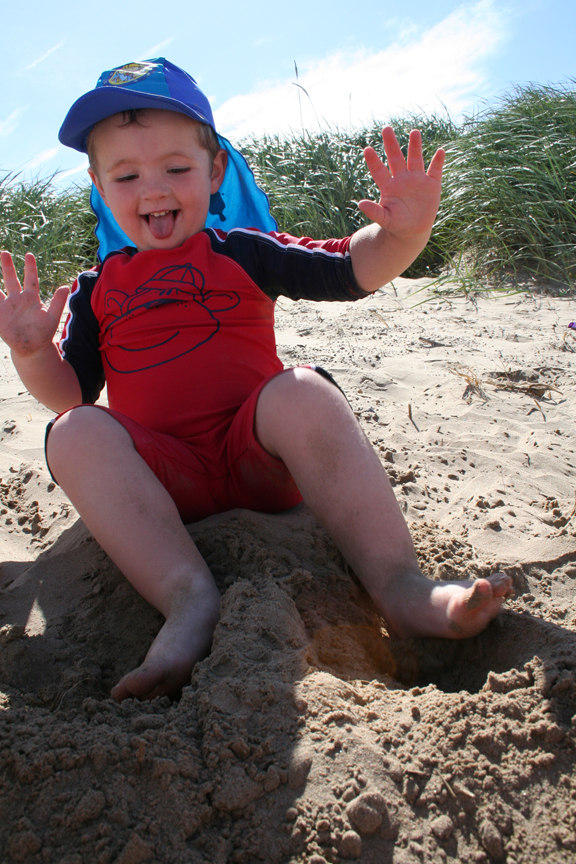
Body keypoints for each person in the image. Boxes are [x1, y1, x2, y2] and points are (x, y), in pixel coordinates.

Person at [0, 59, 513, 702]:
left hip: (258, 460)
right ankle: (188, 599)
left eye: (176, 169)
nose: (152, 188)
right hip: (163, 483)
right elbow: (70, 392)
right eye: (126, 175)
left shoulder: (242, 250)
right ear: (99, 185)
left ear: (215, 171)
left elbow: (349, 269)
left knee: (301, 390)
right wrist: (30, 352)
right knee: (72, 431)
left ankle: (401, 587)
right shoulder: (98, 289)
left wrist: (403, 233)